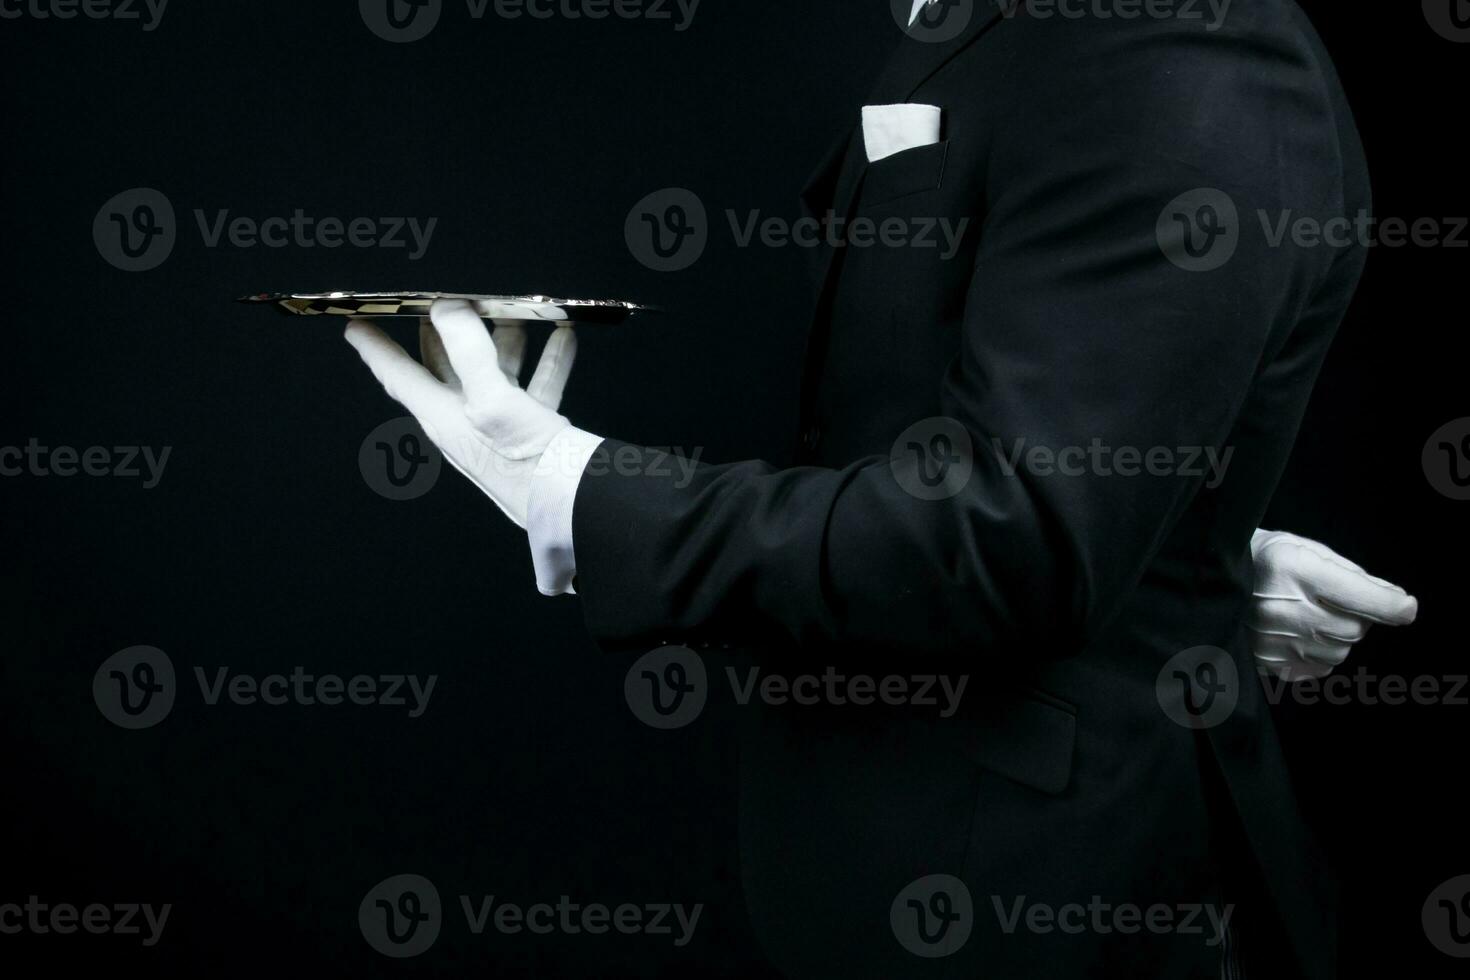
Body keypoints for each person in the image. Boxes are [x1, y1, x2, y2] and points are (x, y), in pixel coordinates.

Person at [344, 1, 1418, 975]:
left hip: (1038, 908)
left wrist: (574, 488)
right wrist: (1188, 556)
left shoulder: (1180, 42)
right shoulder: (985, 25)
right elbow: (1046, 427)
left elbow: (1022, 531)